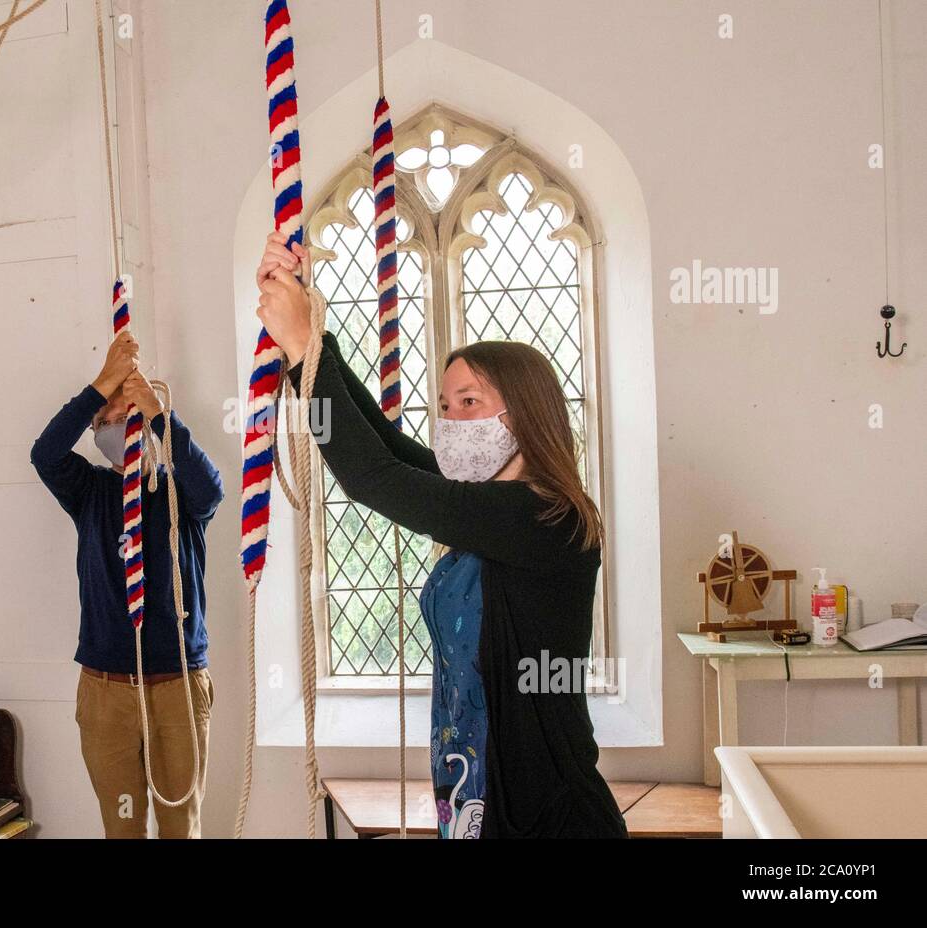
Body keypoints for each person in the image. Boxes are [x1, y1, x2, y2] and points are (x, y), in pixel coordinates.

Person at [253, 232, 627, 838]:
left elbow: (373, 479)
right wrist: (313, 338)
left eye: (470, 401)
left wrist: (299, 344)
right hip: (481, 801)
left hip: (550, 819)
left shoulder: (545, 516)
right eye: (446, 406)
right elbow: (384, 446)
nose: (451, 421)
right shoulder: (487, 503)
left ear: (525, 416)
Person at [31, 330, 224, 838]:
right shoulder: (90, 491)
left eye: (125, 417)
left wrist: (161, 416)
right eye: (105, 423)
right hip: (107, 690)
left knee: (182, 824)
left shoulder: (179, 493)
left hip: (176, 685)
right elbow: (45, 453)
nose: (115, 428)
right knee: (122, 827)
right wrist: (102, 386)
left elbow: (213, 487)